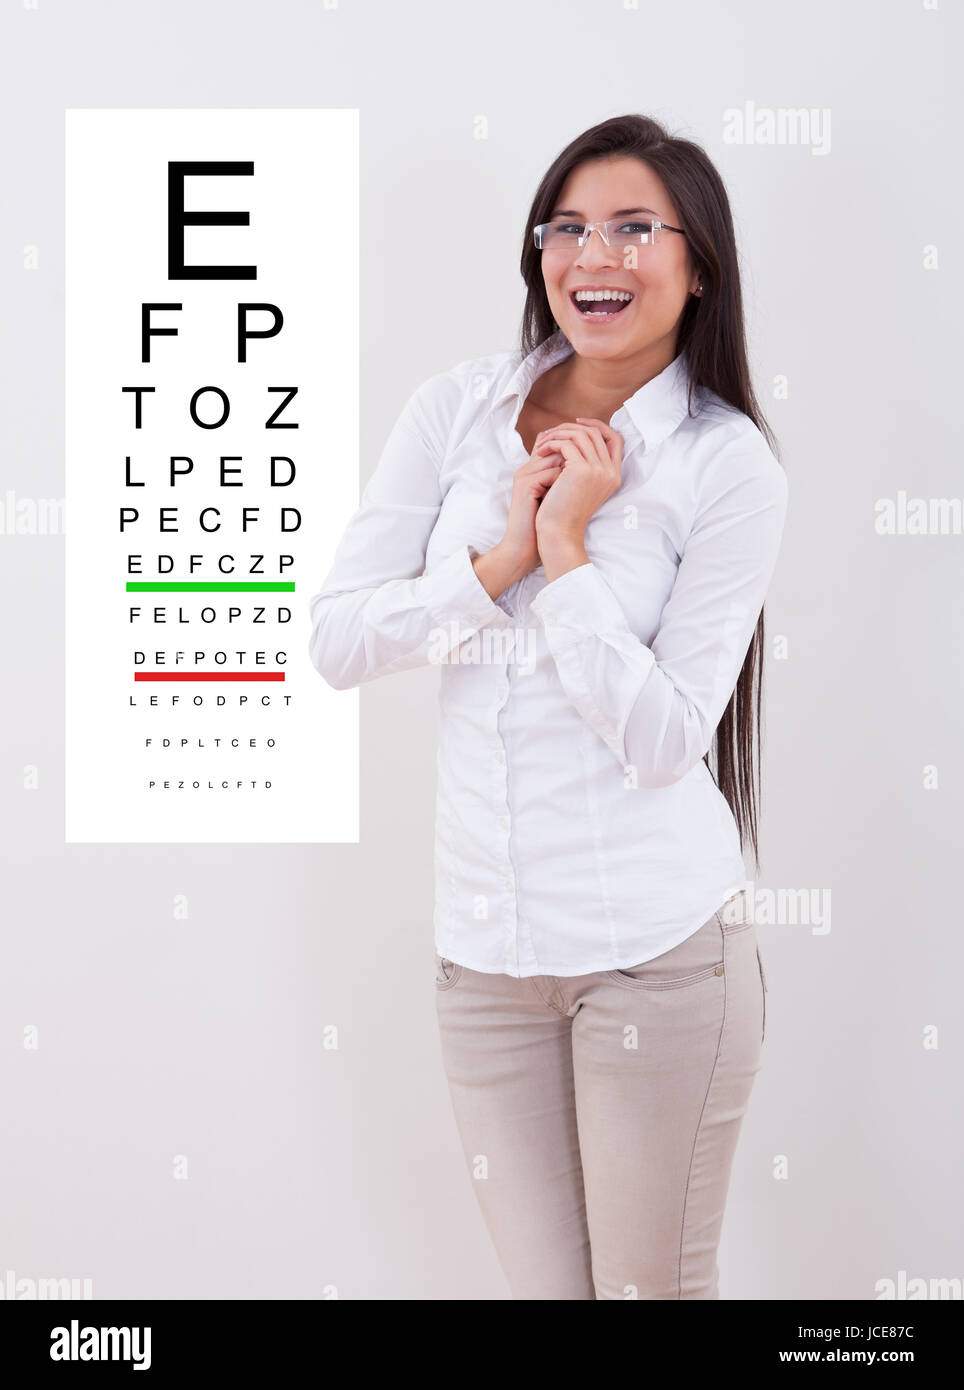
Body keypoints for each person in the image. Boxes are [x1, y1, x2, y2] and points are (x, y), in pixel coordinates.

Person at [308, 113, 789, 1300]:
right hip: (484, 963)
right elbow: (334, 639)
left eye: (635, 228)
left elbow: (668, 735)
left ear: (697, 264)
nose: (594, 257)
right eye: (567, 227)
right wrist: (497, 563)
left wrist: (568, 555)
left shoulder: (727, 467)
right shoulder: (454, 414)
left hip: (654, 963)